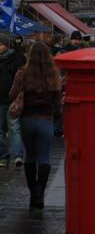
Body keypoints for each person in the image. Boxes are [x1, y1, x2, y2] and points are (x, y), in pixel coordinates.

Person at [9, 41, 62, 210]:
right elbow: (57, 100)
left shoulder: (22, 73)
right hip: (45, 119)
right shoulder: (53, 74)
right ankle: (40, 192)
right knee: (44, 158)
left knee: (30, 157)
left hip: (27, 119)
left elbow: (12, 95)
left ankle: (33, 194)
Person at [0, 33, 25, 169]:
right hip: (0, 100)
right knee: (0, 130)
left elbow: (20, 80)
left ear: (5, 45)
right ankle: (3, 156)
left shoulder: (15, 59)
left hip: (12, 100)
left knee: (14, 128)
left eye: (0, 44)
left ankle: (17, 156)